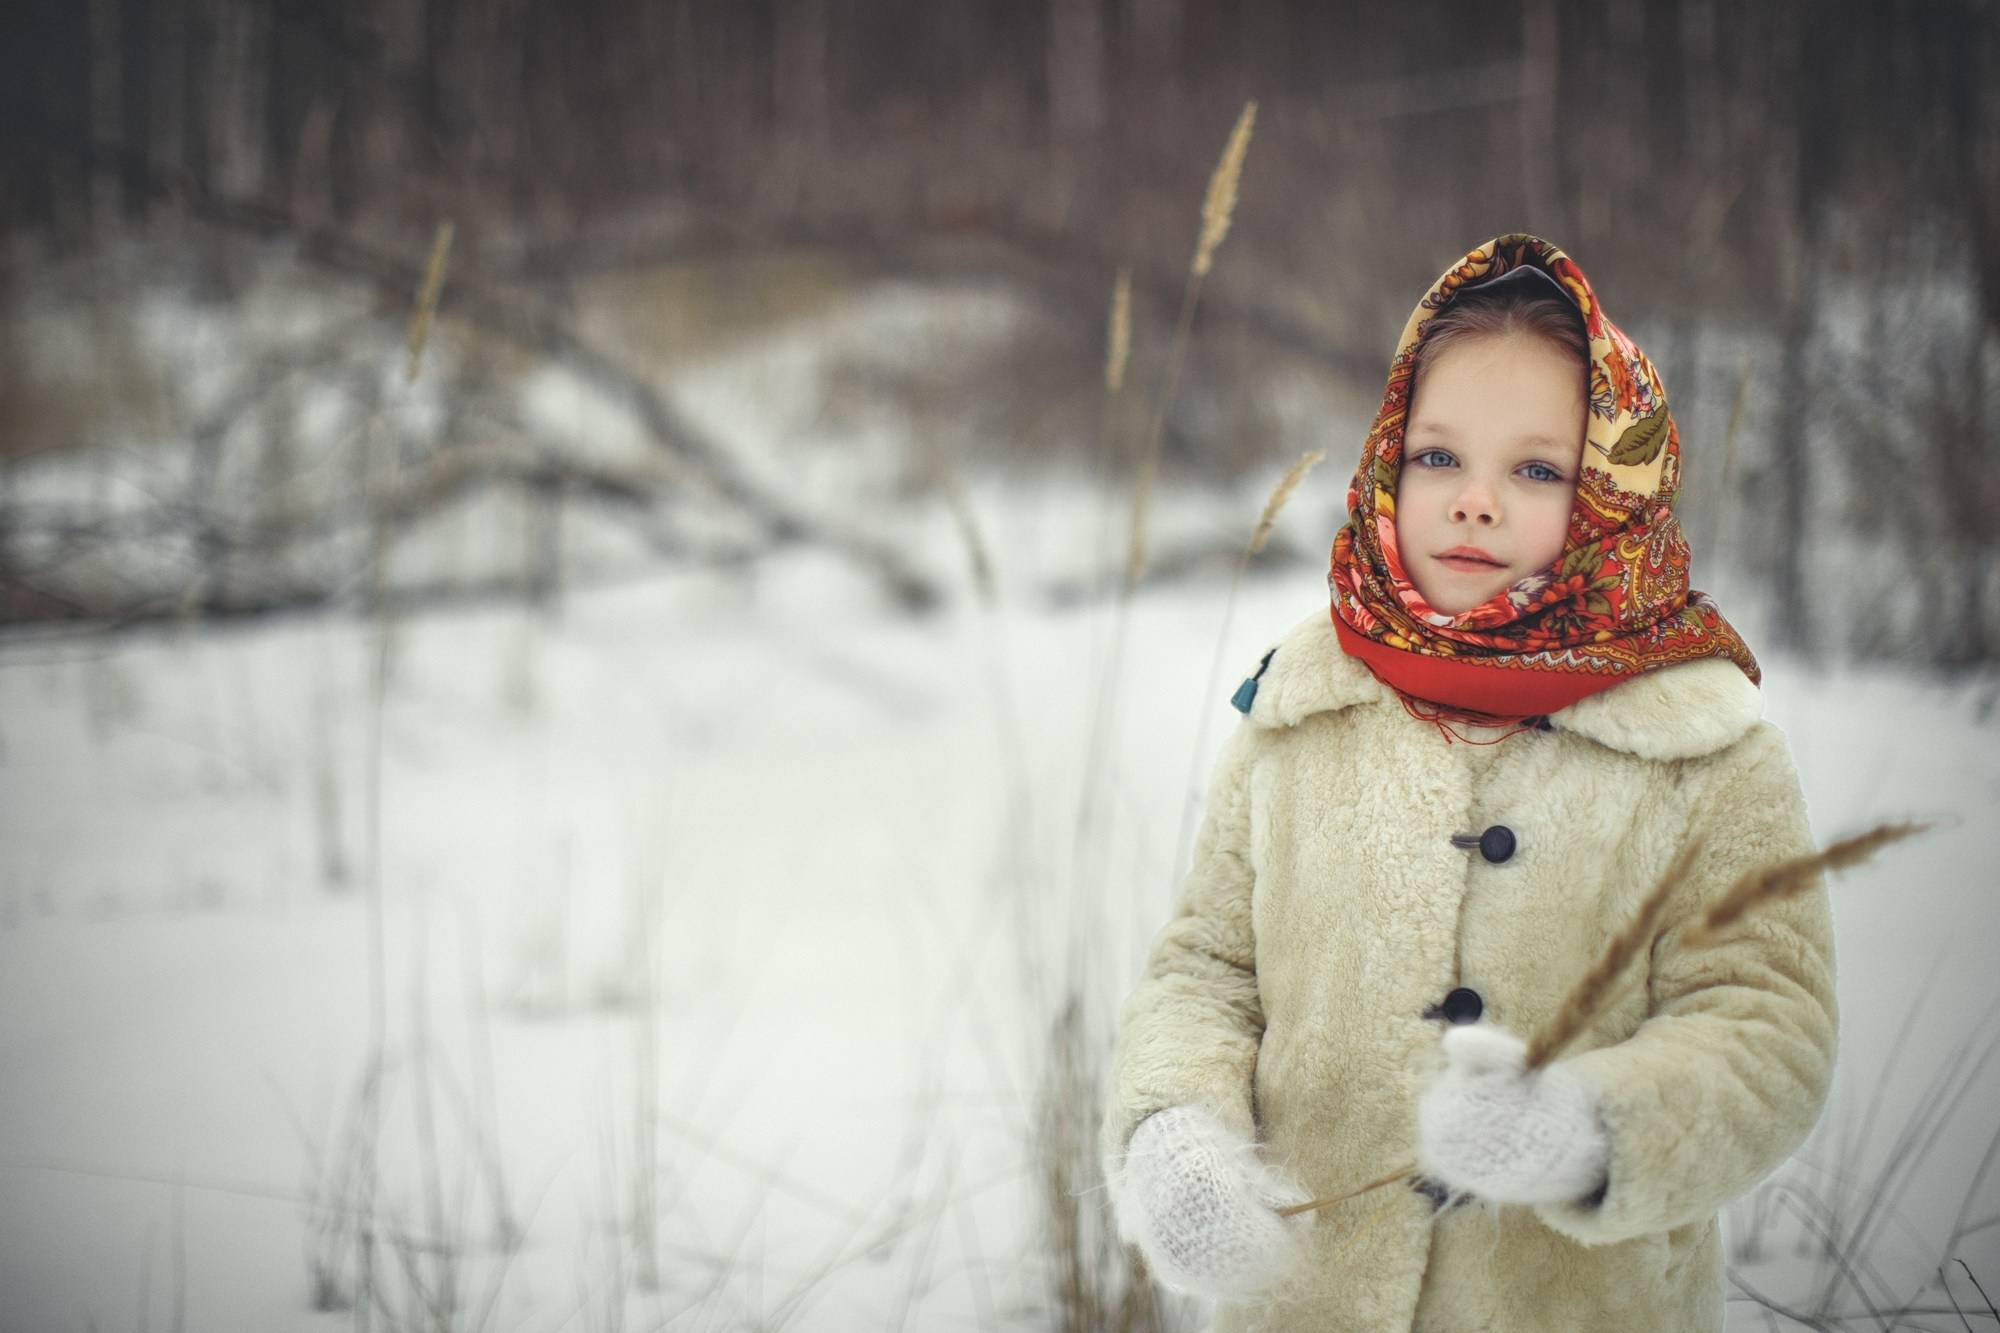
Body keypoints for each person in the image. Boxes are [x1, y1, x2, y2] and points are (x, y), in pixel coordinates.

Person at [1100, 234, 1836, 1333]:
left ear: (1608, 494)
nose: (1473, 501)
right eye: (1438, 456)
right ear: (1389, 455)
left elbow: (1767, 1024)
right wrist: (1175, 1134)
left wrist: (1588, 1129)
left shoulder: (1702, 743)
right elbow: (1209, 969)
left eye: (1535, 469)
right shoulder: (1304, 707)